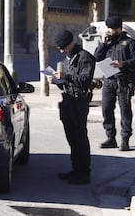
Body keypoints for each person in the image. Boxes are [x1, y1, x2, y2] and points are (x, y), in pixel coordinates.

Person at [48, 30, 95, 185]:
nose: (62, 51)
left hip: (79, 102)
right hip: (68, 101)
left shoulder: (85, 57)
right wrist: (57, 81)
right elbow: (68, 82)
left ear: (71, 43)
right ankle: (76, 169)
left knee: (80, 138)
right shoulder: (69, 58)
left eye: (64, 47)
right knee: (72, 138)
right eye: (60, 48)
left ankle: (84, 173)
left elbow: (85, 80)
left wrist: (66, 77)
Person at [94, 16, 135, 151]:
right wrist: (103, 43)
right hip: (109, 80)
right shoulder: (106, 42)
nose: (110, 31)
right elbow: (97, 57)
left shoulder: (129, 42)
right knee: (106, 109)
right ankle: (110, 137)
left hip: (123, 81)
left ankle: (125, 139)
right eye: (108, 28)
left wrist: (122, 64)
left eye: (113, 29)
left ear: (119, 28)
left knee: (125, 110)